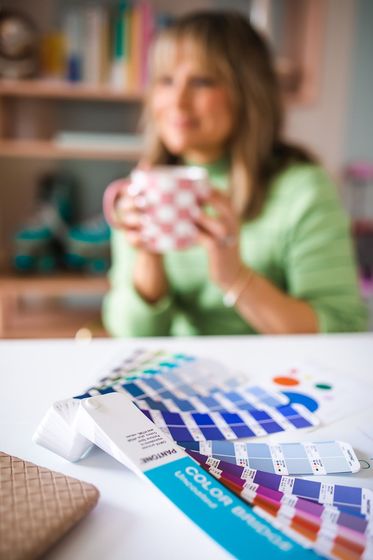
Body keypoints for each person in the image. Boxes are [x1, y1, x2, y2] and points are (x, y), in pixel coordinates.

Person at [102, 10, 367, 337]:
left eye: (202, 81)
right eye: (166, 81)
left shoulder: (302, 190)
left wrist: (234, 277)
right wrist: (147, 255)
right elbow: (128, 335)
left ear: (247, 93)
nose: (177, 101)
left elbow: (343, 327)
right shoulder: (144, 189)